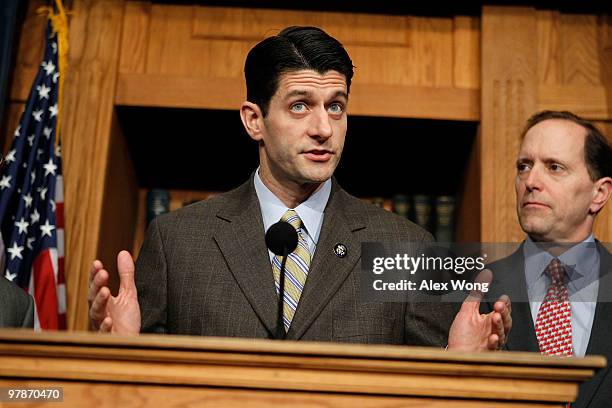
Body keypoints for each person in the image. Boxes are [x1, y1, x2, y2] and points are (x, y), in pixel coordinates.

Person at [88, 26, 510, 350]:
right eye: (299, 106)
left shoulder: (408, 246)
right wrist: (119, 349)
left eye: (336, 106)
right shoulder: (177, 241)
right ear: (254, 120)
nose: (324, 128)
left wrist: (461, 361)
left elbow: (432, 388)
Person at [483, 111, 612, 407]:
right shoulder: (473, 290)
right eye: (524, 166)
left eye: (554, 167)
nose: (531, 181)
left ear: (599, 193)